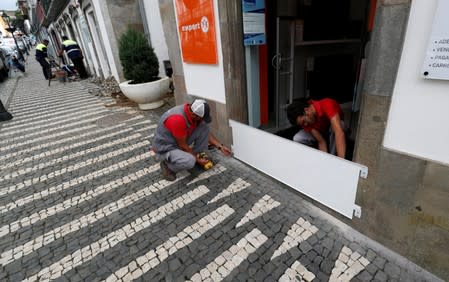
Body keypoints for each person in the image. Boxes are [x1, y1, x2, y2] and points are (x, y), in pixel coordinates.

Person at [152, 99, 232, 181]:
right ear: (194, 115)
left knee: (204, 127)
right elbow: (183, 146)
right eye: (200, 118)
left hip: (179, 139)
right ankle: (167, 166)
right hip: (166, 147)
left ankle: (198, 155)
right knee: (190, 161)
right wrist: (196, 159)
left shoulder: (191, 112)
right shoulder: (177, 119)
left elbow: (206, 133)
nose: (202, 120)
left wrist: (220, 146)